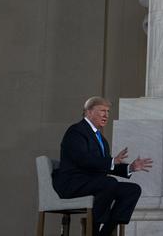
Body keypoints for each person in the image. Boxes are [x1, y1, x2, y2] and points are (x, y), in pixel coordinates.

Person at [52, 97, 153, 236]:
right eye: (102, 111)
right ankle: (92, 229)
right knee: (109, 183)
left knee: (132, 190)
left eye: (108, 111)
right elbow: (83, 160)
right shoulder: (76, 131)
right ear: (89, 112)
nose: (106, 115)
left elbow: (106, 164)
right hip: (73, 183)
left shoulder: (101, 139)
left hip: (95, 183)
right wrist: (111, 161)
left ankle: (104, 233)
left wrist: (130, 168)